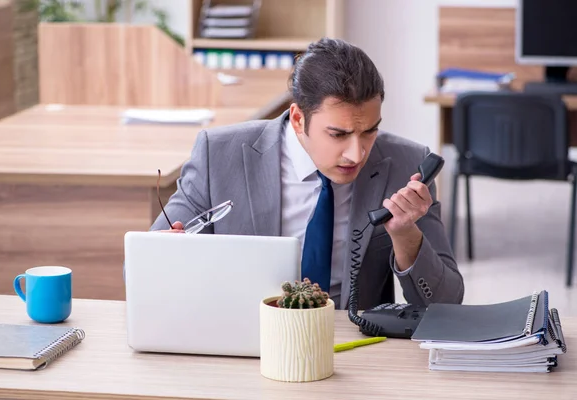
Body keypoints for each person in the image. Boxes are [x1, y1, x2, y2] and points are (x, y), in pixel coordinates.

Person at [150, 38, 464, 310]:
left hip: (350, 346)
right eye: (338, 135)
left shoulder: (406, 164)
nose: (357, 154)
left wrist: (405, 235)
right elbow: (142, 268)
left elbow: (446, 303)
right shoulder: (217, 155)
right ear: (299, 119)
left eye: (369, 131)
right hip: (246, 336)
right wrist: (169, 259)